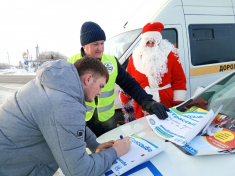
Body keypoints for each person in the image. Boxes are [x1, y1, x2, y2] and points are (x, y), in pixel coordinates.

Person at [0, 57, 131, 176]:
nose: (100, 92)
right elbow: (80, 171)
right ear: (88, 79)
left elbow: (68, 126)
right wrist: (116, 151)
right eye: (100, 86)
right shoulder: (64, 104)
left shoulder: (57, 86)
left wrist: (93, 143)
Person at [67, 21, 170, 137]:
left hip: (108, 122)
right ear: (84, 45)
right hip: (82, 122)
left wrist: (148, 102)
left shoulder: (111, 62)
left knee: (110, 151)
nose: (100, 48)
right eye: (95, 44)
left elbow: (130, 84)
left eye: (102, 43)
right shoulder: (71, 64)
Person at [120, 22, 187, 120]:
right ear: (143, 43)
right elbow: (128, 80)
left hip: (165, 102)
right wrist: (124, 97)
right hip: (142, 103)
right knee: (144, 129)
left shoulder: (170, 55)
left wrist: (178, 103)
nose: (151, 44)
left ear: (159, 41)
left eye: (154, 42)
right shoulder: (134, 58)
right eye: (148, 42)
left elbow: (179, 80)